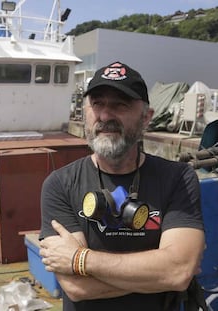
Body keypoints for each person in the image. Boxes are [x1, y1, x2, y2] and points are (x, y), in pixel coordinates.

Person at [39, 61, 205, 311]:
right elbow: (76, 288)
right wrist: (161, 275)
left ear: (146, 117)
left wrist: (80, 259)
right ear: (86, 111)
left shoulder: (178, 178)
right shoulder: (59, 184)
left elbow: (179, 272)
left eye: (120, 104)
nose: (105, 116)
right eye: (97, 104)